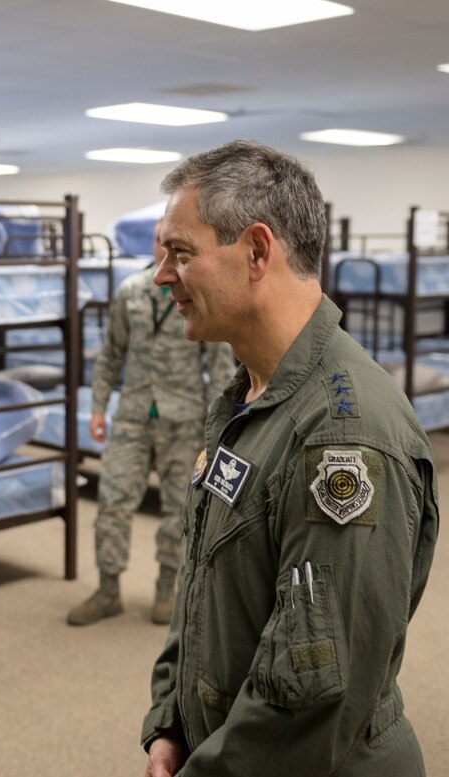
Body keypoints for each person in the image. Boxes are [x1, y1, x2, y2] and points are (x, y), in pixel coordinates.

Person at [141, 140, 439, 777]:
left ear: (256, 251)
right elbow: (205, 582)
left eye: (180, 252)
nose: (162, 274)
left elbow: (316, 697)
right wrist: (170, 719)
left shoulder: (343, 433)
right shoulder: (250, 397)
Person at [68, 222, 234, 627]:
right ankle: (108, 589)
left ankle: (166, 588)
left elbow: (220, 367)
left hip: (184, 416)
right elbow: (111, 356)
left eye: (174, 241)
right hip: (134, 416)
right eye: (160, 240)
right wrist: (97, 408)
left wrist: (222, 427)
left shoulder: (199, 293)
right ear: (152, 243)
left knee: (179, 509)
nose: (165, 247)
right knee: (112, 501)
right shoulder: (130, 292)